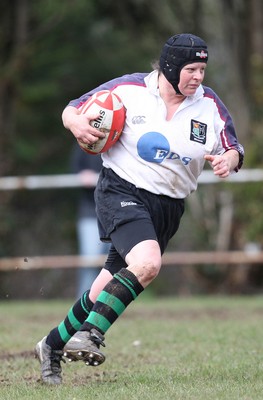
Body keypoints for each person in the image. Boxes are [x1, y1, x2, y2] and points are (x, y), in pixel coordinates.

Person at [35, 33, 244, 385]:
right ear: (170, 66)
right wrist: (75, 123)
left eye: (202, 69)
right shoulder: (128, 90)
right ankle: (91, 335)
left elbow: (233, 146)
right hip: (121, 189)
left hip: (169, 206)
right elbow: (73, 108)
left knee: (105, 287)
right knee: (147, 264)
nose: (198, 77)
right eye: (191, 68)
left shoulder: (209, 105)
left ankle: (50, 345)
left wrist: (228, 159)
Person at [70, 144, 110, 298]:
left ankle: (109, 304)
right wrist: (81, 174)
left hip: (118, 214)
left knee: (115, 265)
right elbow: (75, 168)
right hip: (90, 214)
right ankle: (83, 306)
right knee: (90, 262)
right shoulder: (86, 143)